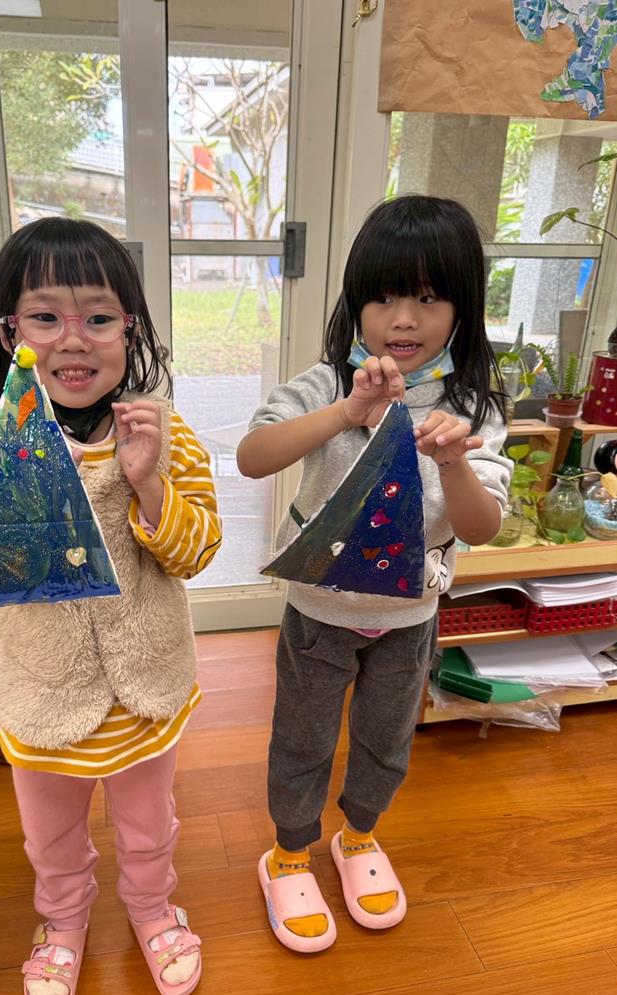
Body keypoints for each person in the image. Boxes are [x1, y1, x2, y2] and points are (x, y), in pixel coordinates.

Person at [0, 217, 221, 995]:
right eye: (45, 317)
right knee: (49, 836)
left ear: (128, 330)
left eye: (98, 317)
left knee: (148, 826)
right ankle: (63, 921)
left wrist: (148, 483)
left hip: (144, 690)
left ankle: (152, 909)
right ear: (9, 332)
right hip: (37, 689)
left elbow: (197, 551)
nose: (73, 340)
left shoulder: (163, 432)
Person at [237, 195, 511, 952]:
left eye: (429, 298)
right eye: (384, 296)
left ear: (462, 309)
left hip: (409, 619)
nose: (403, 319)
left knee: (386, 741)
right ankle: (289, 850)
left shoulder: (473, 407)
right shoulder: (326, 383)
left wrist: (454, 462)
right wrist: (345, 411)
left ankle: (358, 836)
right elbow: (253, 457)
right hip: (319, 614)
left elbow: (482, 527)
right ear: (356, 302)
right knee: (303, 739)